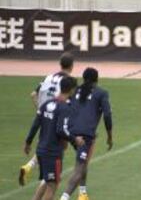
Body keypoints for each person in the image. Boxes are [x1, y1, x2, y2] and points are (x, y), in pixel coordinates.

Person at [24, 77, 84, 200]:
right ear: (72, 90)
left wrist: (28, 142)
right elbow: (61, 129)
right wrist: (75, 140)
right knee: (52, 186)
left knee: (48, 181)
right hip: (52, 153)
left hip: (41, 150)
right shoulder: (64, 108)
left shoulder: (46, 104)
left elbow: (36, 123)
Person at [19, 52, 74, 186]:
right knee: (53, 156)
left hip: (45, 118)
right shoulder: (68, 82)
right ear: (72, 66)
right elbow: (70, 103)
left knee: (43, 149)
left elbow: (33, 94)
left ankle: (29, 167)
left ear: (60, 64)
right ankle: (43, 181)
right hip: (58, 119)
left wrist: (41, 112)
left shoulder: (49, 77)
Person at [60, 67, 113, 200]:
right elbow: (107, 115)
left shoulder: (75, 90)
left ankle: (82, 192)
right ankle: (64, 197)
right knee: (79, 167)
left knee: (83, 161)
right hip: (85, 135)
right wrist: (109, 136)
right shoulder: (101, 93)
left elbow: (66, 106)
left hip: (70, 131)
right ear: (97, 79)